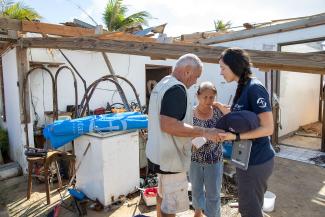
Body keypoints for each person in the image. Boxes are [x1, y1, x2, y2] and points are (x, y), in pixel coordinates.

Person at [146, 54, 221, 217]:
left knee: (162, 194)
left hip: (158, 154)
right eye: (196, 77)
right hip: (170, 159)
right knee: (170, 205)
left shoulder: (163, 83)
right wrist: (204, 131)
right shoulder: (177, 89)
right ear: (187, 71)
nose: (195, 82)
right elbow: (169, 125)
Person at [216, 47, 275, 217]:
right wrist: (224, 110)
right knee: (249, 206)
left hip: (256, 160)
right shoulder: (242, 87)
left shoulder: (254, 88)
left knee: (251, 211)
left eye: (222, 68)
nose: (220, 72)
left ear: (234, 66)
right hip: (246, 159)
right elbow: (244, 120)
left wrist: (235, 136)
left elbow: (268, 128)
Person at [190, 82, 223, 217]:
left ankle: (213, 215)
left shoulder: (217, 113)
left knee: (213, 193)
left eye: (212, 97)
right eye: (205, 97)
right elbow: (184, 133)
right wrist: (201, 138)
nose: (209, 101)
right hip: (194, 159)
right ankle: (198, 212)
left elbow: (225, 130)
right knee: (196, 189)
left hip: (214, 159)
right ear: (197, 96)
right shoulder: (190, 113)